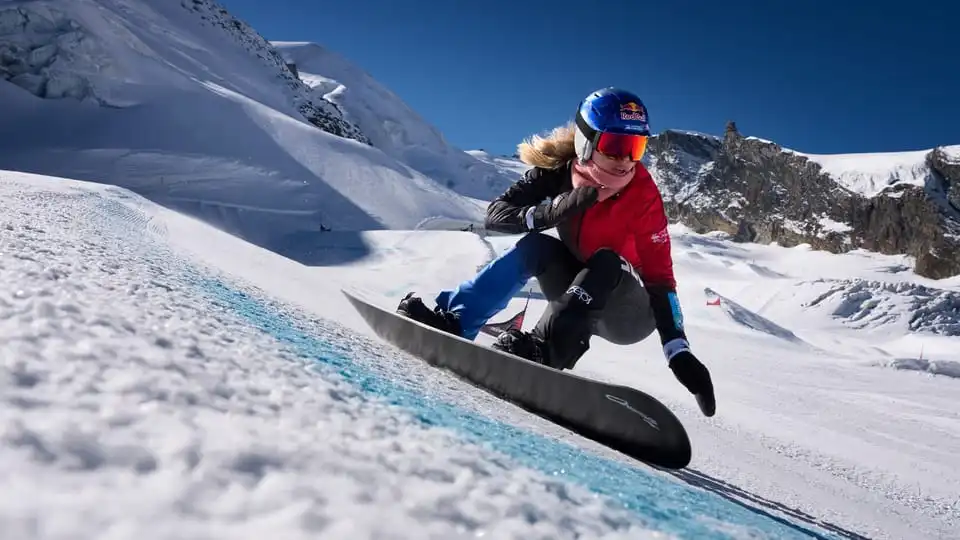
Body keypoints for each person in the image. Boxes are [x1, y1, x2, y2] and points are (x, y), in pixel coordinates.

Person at [397, 87, 716, 417]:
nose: (625, 160)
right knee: (536, 247)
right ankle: (458, 321)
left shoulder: (642, 194)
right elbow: (497, 214)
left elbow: (661, 277)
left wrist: (677, 349)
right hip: (576, 287)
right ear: (587, 142)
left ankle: (544, 350)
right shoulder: (560, 173)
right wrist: (548, 213)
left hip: (629, 312)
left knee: (607, 259)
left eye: (635, 148)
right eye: (616, 146)